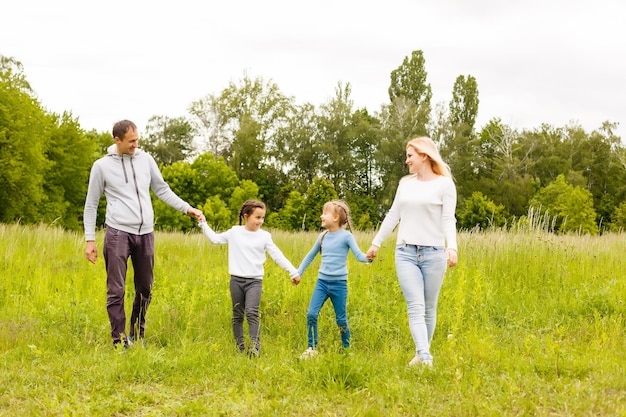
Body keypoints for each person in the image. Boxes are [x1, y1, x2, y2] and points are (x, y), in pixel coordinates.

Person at [83, 119, 205, 349]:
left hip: (146, 233)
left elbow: (162, 189)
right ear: (116, 140)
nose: (135, 145)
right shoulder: (101, 166)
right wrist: (90, 239)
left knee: (145, 287)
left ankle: (137, 334)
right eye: (131, 141)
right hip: (118, 232)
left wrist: (187, 208)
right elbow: (91, 205)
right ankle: (120, 341)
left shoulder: (146, 160)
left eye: (137, 140)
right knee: (116, 289)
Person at [366, 136, 458, 367]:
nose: (407, 161)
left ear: (424, 156)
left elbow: (448, 219)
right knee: (415, 305)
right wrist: (376, 243)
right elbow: (392, 215)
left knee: (429, 307)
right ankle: (425, 355)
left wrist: (452, 247)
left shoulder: (445, 185)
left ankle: (420, 354)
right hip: (405, 252)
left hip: (434, 253)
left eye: (410, 156)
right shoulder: (405, 184)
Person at [198, 199, 301, 357]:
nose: (261, 221)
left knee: (252, 312)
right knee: (238, 314)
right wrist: (203, 223)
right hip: (236, 280)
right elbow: (215, 239)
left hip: (254, 281)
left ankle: (255, 347)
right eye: (257, 217)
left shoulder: (265, 236)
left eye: (262, 218)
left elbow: (277, 255)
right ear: (246, 216)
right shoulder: (234, 232)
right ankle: (239, 347)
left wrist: (293, 271)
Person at [297, 200, 371, 359]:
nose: (321, 216)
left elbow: (359, 255)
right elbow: (310, 256)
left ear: (336, 217)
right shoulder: (322, 236)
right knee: (311, 314)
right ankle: (311, 348)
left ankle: (346, 350)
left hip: (339, 285)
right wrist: (298, 272)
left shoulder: (347, 237)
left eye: (325, 213)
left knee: (341, 319)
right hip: (322, 283)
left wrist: (368, 258)